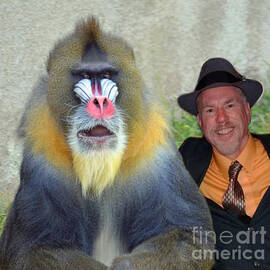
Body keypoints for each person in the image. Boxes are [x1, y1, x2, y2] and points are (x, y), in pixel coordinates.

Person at [178, 57, 270, 270]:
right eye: (210, 110)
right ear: (200, 122)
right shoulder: (187, 160)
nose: (221, 119)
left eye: (229, 105)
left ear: (247, 111)